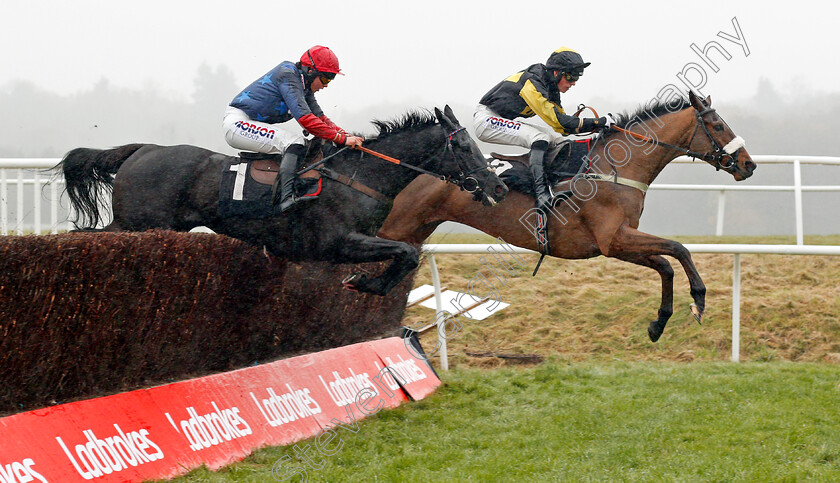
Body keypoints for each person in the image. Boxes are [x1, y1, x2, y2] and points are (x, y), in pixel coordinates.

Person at [473, 47, 616, 214]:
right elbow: (558, 121)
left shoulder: (550, 86)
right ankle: (541, 193)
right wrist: (598, 122)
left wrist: (597, 125)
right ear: (556, 72)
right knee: (539, 137)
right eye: (572, 76)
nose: (574, 83)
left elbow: (561, 128)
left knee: (557, 139)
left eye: (577, 77)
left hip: (501, 119)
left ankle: (557, 183)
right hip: (486, 120)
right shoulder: (532, 84)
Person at [222, 45, 364, 212]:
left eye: (330, 80)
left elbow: (321, 119)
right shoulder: (288, 75)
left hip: (248, 124)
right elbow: (306, 119)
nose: (326, 85)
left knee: (300, 144)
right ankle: (286, 200)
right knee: (294, 142)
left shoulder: (304, 87)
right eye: (326, 79)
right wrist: (341, 139)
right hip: (237, 123)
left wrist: (346, 135)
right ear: (310, 71)